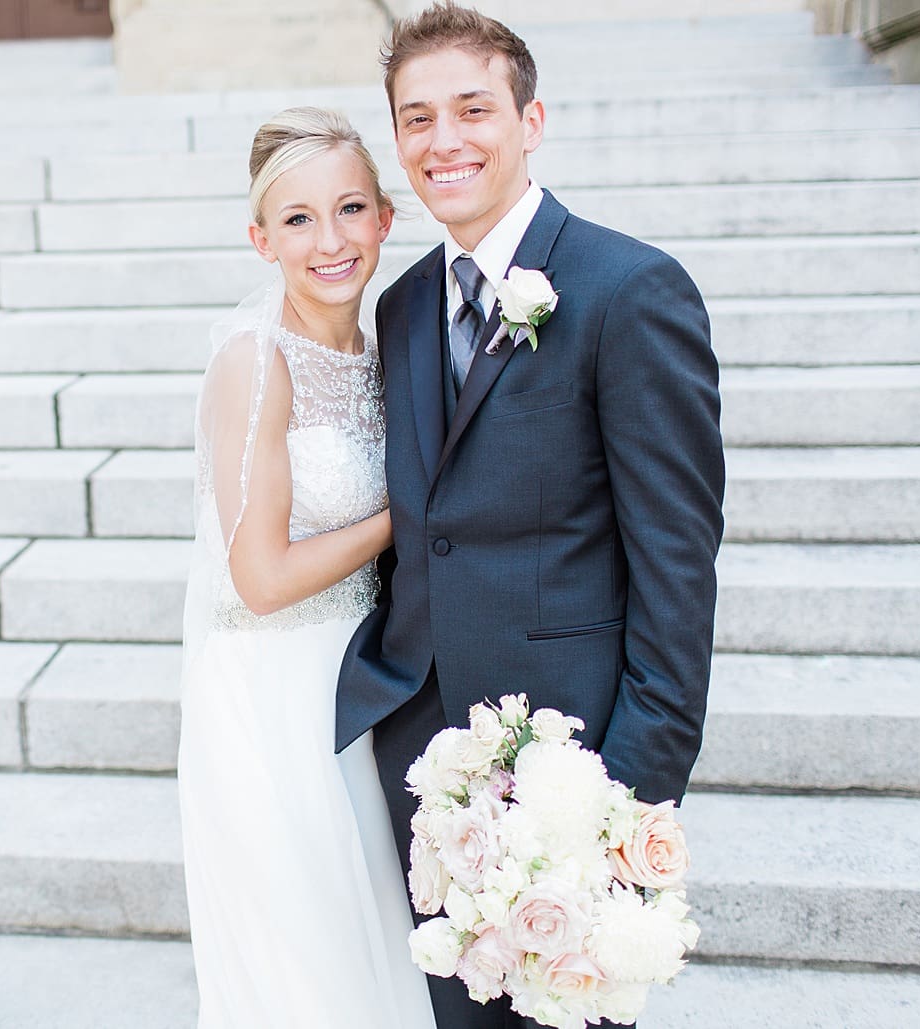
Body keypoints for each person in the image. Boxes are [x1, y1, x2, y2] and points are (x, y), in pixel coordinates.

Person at [336, 4, 726, 1028]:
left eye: (472, 109)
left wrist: (626, 797)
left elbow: (677, 572)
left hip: (571, 766)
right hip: (424, 765)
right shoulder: (403, 303)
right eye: (415, 119)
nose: (443, 141)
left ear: (530, 119)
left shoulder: (628, 290)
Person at [177, 106, 438, 1028]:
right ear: (260, 238)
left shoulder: (385, 350)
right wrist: (407, 515)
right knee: (307, 966)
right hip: (273, 692)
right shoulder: (255, 363)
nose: (330, 241)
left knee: (368, 947)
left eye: (349, 209)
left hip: (362, 687)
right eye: (297, 219)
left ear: (384, 219)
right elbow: (261, 577)